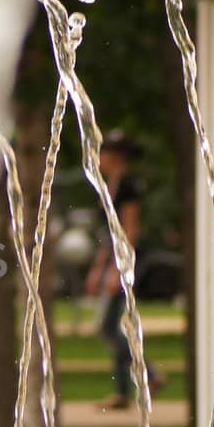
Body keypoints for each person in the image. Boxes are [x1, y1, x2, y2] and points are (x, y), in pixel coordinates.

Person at [83, 129, 164, 410]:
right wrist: (98, 269)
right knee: (115, 326)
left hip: (127, 262)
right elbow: (110, 234)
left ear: (115, 156)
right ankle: (122, 392)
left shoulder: (128, 187)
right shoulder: (112, 186)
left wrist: (119, 270)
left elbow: (129, 231)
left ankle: (149, 373)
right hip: (114, 260)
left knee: (106, 327)